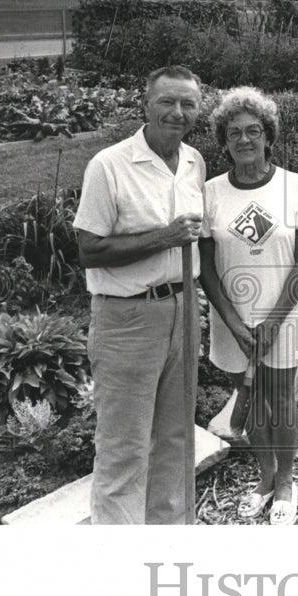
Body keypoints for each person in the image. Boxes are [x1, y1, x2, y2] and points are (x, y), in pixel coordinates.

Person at [72, 64, 206, 524]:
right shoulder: (109, 165)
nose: (177, 112)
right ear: (144, 105)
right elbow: (89, 250)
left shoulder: (194, 162)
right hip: (127, 319)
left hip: (184, 310)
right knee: (124, 447)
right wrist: (164, 237)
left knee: (175, 436)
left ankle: (169, 544)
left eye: (188, 103)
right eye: (167, 101)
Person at [198, 86, 298, 525]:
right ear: (223, 141)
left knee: (281, 400)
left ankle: (286, 480)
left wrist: (272, 321)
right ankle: (265, 475)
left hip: (284, 315)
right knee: (249, 397)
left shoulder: (295, 186)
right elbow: (206, 266)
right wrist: (232, 322)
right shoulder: (211, 192)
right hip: (232, 321)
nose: (244, 140)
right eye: (234, 133)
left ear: (269, 136)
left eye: (253, 131)